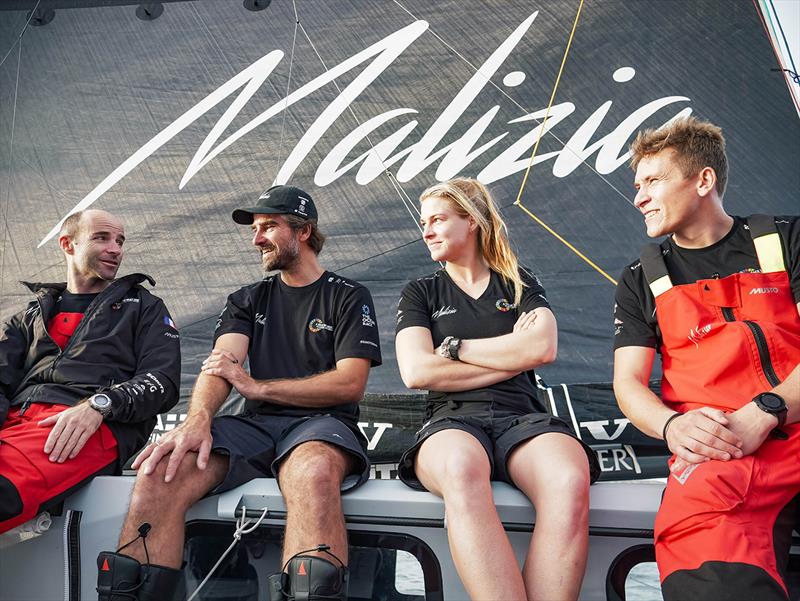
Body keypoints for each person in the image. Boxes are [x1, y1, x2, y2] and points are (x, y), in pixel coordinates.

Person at [97, 185, 382, 601]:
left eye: (268, 226)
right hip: (257, 426)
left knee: (311, 472)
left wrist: (258, 386)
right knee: (162, 471)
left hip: (325, 422)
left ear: (303, 232)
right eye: (254, 228)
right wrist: (197, 422)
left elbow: (349, 382)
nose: (256, 238)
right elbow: (221, 364)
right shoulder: (247, 299)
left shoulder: (348, 295)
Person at [612, 116, 800, 599]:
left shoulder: (786, 240)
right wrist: (672, 428)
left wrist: (767, 410)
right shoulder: (640, 278)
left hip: (785, 420)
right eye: (637, 185)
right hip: (721, 452)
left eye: (652, 180)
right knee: (712, 579)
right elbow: (629, 384)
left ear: (703, 180)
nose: (639, 197)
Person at [394, 177, 600, 601]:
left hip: (522, 418)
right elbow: (416, 372)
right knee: (461, 470)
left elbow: (542, 347)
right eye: (424, 222)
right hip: (451, 420)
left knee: (568, 478)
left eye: (437, 219)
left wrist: (454, 349)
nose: (426, 231)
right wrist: (509, 357)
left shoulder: (517, 281)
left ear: (470, 221)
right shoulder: (421, 291)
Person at [0, 209, 180, 535]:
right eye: (102, 238)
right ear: (68, 244)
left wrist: (100, 404)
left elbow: (162, 382)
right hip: (15, 423)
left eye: (120, 241)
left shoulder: (145, 307)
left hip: (82, 423)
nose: (116, 249)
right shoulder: (28, 317)